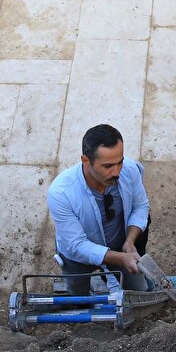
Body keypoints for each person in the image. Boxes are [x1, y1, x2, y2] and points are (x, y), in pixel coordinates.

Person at [47, 124, 154, 296]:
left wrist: (130, 240)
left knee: (138, 291)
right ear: (85, 161)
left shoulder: (130, 170)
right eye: (108, 166)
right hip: (78, 258)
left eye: (120, 162)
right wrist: (119, 257)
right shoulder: (61, 193)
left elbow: (140, 206)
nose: (117, 171)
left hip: (121, 248)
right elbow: (76, 245)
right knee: (78, 294)